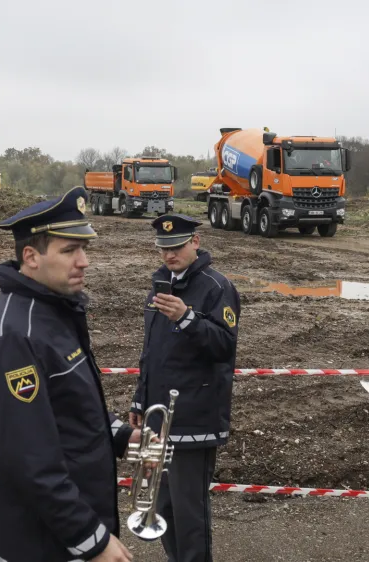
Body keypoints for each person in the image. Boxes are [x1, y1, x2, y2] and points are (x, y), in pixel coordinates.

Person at [0, 186, 139, 562]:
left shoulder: (53, 311)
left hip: (69, 531)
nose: (84, 262)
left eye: (84, 249)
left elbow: (68, 409)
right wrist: (90, 540)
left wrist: (123, 434)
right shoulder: (16, 335)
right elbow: (31, 461)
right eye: (68, 251)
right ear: (30, 256)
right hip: (45, 544)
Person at [129, 214, 240, 562]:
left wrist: (187, 318)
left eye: (176, 247)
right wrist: (139, 398)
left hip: (195, 417)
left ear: (195, 242)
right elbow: (153, 353)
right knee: (161, 506)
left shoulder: (216, 287)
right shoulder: (159, 286)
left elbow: (225, 346)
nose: (169, 255)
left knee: (189, 510)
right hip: (157, 419)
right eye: (163, 248)